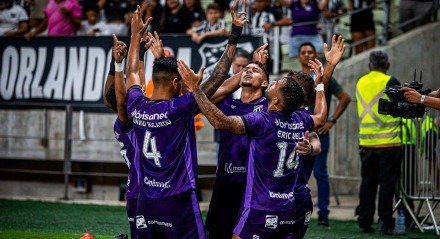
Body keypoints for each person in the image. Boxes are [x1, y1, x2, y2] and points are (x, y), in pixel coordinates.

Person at [124, 4, 247, 238]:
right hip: (177, 199)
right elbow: (220, 75)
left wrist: (135, 37)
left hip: (146, 198)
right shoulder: (180, 108)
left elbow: (132, 74)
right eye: (180, 81)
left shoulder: (137, 104)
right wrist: (234, 33)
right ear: (174, 83)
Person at [178, 55, 327, 238]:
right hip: (286, 204)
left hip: (259, 205)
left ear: (274, 101)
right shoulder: (300, 119)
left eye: (275, 84)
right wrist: (320, 84)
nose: (273, 83)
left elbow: (220, 122)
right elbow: (320, 117)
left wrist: (195, 89)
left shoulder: (264, 120)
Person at [205, 45, 271, 239]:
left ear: (266, 83)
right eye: (245, 69)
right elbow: (204, 97)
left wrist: (258, 64)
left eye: (255, 71)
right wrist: (253, 65)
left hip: (253, 184)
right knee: (215, 234)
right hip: (225, 181)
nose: (248, 71)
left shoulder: (269, 107)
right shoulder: (227, 104)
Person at [298, 41, 351, 227]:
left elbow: (345, 97)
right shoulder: (296, 78)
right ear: (298, 56)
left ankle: (323, 214)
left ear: (315, 55)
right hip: (296, 131)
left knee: (320, 173)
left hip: (318, 131)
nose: (306, 55)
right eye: (303, 52)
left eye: (310, 52)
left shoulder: (322, 76)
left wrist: (331, 120)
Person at [355, 50, 403, 235]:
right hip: (389, 143)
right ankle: (385, 222)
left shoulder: (361, 81)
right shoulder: (391, 82)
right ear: (387, 65)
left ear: (369, 65)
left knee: (368, 183)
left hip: (366, 142)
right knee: (387, 184)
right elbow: (401, 106)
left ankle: (364, 221)